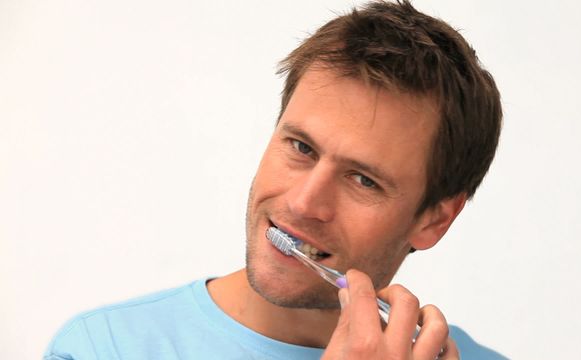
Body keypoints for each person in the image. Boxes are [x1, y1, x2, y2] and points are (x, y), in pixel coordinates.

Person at [44, 1, 503, 359]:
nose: (304, 203)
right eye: (301, 148)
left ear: (435, 220)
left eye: (363, 180)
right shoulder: (99, 350)